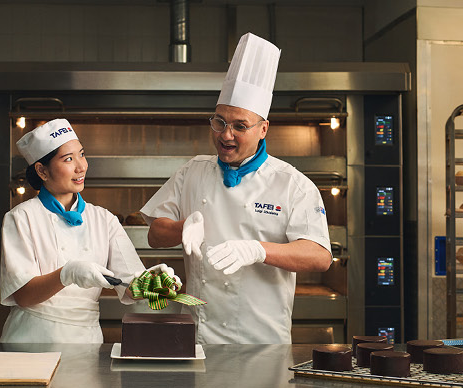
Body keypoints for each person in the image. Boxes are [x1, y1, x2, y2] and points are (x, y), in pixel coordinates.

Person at [140, 33, 332, 344]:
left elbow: (319, 256)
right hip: (198, 336)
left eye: (239, 126)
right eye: (219, 122)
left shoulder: (291, 183)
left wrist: (258, 250)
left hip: (262, 340)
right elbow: (155, 234)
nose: (226, 135)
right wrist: (183, 226)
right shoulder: (193, 172)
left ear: (263, 129)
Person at [0, 119, 176, 343]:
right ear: (42, 170)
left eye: (81, 154)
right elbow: (23, 295)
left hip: (85, 341)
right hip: (31, 340)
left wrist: (152, 282)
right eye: (68, 159)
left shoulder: (104, 219)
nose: (81, 166)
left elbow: (131, 287)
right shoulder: (21, 218)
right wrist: (67, 273)